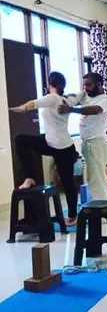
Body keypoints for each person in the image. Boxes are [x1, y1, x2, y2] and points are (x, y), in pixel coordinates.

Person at [9, 71, 80, 226]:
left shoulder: (52, 98)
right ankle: (29, 177)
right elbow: (80, 95)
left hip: (63, 149)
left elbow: (33, 103)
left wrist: (19, 108)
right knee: (21, 140)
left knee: (67, 182)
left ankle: (73, 216)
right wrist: (82, 93)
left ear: (49, 83)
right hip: (52, 142)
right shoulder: (67, 99)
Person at [59, 73, 107, 201]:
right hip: (88, 142)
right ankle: (106, 204)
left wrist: (71, 110)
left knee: (95, 178)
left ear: (99, 84)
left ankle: (100, 207)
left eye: (88, 85)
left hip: (95, 142)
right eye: (84, 85)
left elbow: (96, 110)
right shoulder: (87, 96)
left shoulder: (105, 99)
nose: (85, 88)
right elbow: (75, 98)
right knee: (99, 176)